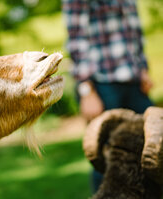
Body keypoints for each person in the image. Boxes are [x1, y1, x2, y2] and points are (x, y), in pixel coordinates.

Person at [62, 0, 154, 193]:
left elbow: (134, 30)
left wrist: (143, 68)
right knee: (107, 157)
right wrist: (87, 90)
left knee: (152, 149)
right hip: (101, 84)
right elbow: (76, 40)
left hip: (133, 79)